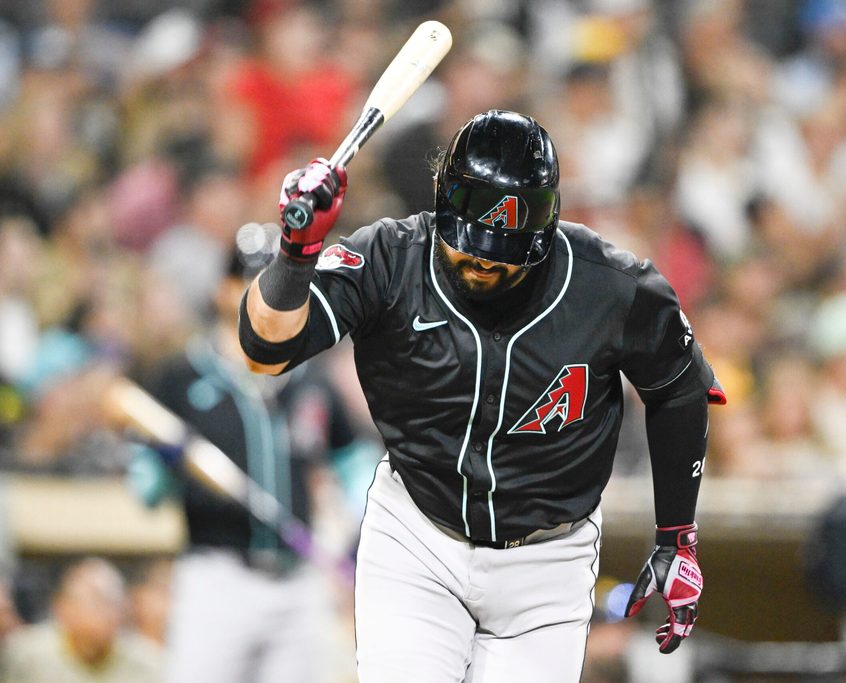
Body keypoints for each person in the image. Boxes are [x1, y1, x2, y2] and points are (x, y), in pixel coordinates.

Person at [239, 109, 725, 681]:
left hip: (549, 558)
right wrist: (297, 254)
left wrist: (677, 534)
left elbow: (678, 389)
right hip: (418, 535)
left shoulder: (611, 286)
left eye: (506, 254)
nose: (485, 262)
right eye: (473, 245)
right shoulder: (392, 258)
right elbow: (264, 349)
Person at [129, 227, 360, 683]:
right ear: (224, 290)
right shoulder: (181, 378)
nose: (270, 297)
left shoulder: (309, 380)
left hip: (298, 577)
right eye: (254, 283)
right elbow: (145, 489)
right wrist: (164, 466)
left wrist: (344, 526)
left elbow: (352, 460)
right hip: (218, 575)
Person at [0, 557, 162, 683]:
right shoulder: (27, 655)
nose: (110, 612)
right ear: (62, 608)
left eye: (116, 602)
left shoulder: (150, 662)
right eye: (98, 601)